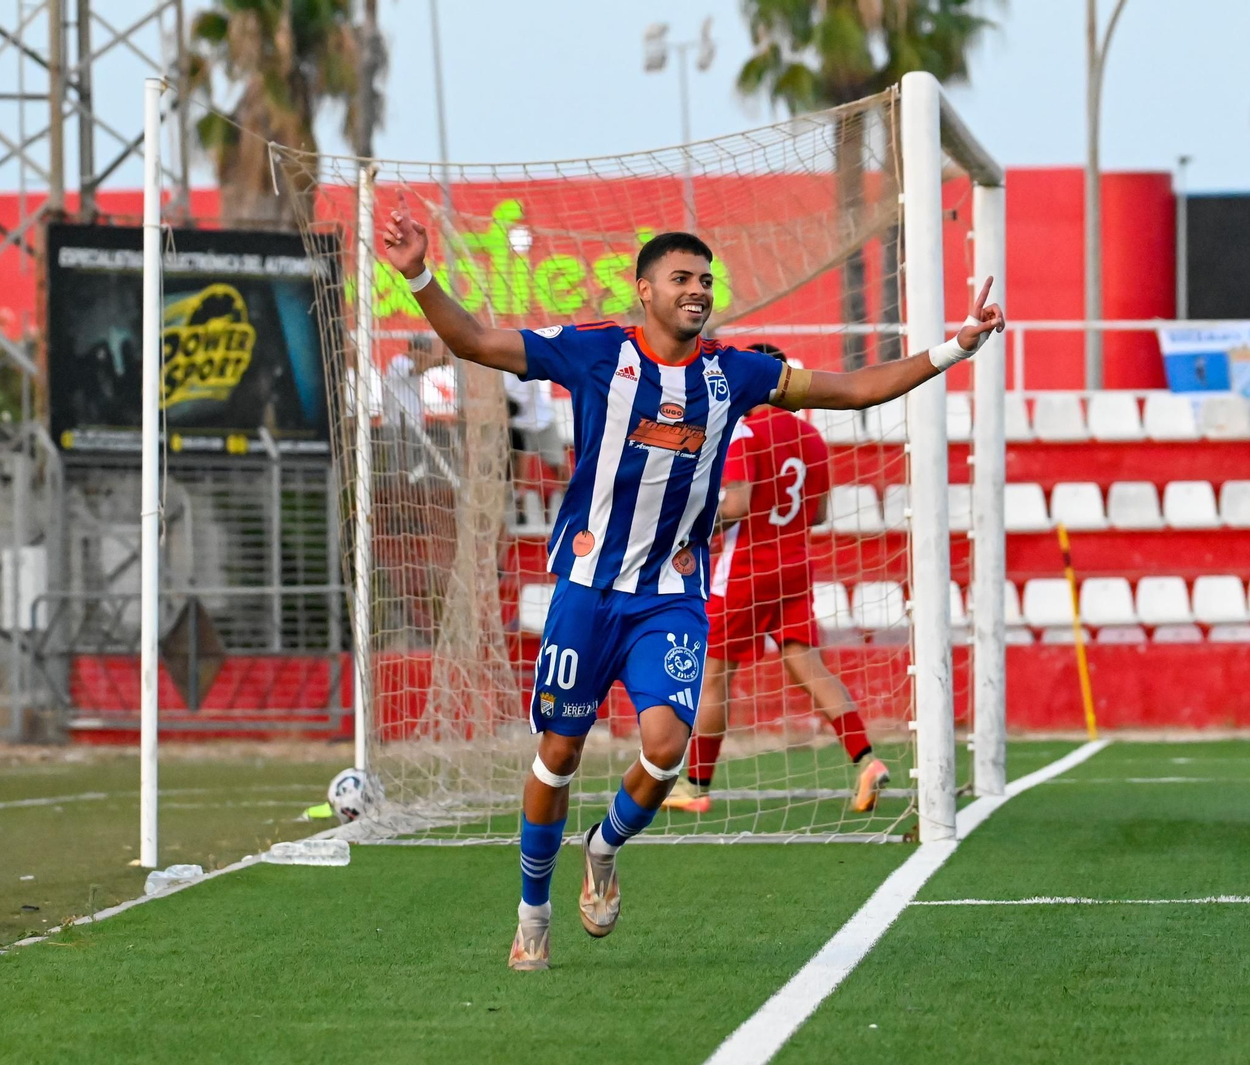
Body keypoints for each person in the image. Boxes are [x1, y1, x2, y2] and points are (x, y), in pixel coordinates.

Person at [380, 196, 1003, 972]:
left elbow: (850, 389)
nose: (698, 290)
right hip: (585, 590)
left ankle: (604, 847)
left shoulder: (731, 373)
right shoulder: (594, 353)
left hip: (669, 597)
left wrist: (953, 349)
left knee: (668, 747)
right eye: (682, 277)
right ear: (645, 289)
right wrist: (421, 277)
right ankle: (532, 910)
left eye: (705, 279)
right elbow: (472, 339)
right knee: (557, 754)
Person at [664, 342, 888, 816]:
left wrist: (690, 520)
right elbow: (820, 512)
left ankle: (697, 785)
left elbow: (739, 503)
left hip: (747, 566)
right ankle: (865, 758)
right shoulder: (812, 436)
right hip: (795, 565)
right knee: (807, 663)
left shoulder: (746, 431)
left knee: (713, 674)